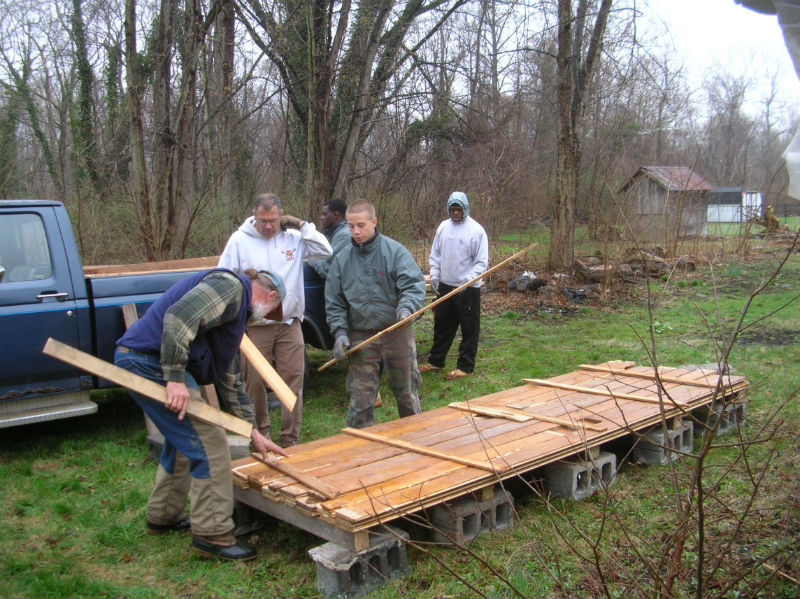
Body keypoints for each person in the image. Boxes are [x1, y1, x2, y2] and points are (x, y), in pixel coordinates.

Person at [114, 268, 289, 561]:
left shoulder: (234, 317)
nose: (265, 316)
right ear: (271, 297)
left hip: (152, 362)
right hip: (149, 362)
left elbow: (231, 382)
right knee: (210, 443)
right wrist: (174, 378)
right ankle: (213, 534)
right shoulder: (230, 287)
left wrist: (252, 432)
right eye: (272, 310)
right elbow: (178, 318)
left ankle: (163, 516)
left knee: (183, 440)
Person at [218, 193, 331, 447]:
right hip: (256, 326)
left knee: (293, 380)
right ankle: (261, 436)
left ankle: (290, 438)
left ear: (282, 215)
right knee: (254, 383)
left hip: (289, 323)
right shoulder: (239, 241)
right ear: (254, 217)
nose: (268, 226)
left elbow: (326, 250)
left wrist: (301, 225)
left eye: (273, 220)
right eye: (262, 221)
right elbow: (223, 276)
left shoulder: (293, 237)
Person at [325, 199, 426, 428]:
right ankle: (362, 453)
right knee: (360, 401)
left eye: (361, 225)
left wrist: (406, 309)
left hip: (397, 331)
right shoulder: (342, 260)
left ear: (374, 221)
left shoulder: (395, 252)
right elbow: (334, 301)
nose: (355, 231)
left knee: (407, 394)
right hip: (362, 337)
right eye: (350, 226)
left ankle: (417, 442)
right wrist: (340, 331)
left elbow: (412, 285)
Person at [419, 191, 489, 380]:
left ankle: (465, 366)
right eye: (452, 209)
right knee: (442, 325)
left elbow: (482, 263)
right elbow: (436, 255)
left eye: (458, 209)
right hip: (446, 286)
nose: (455, 213)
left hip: (468, 289)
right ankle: (436, 361)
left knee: (469, 328)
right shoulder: (443, 227)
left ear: (465, 209)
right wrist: (434, 274)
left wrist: (470, 279)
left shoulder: (476, 231)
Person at [310, 198, 351, 279]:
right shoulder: (336, 234)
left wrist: (312, 260)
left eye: (325, 214)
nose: (322, 218)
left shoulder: (344, 236)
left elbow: (329, 269)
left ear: (335, 215)